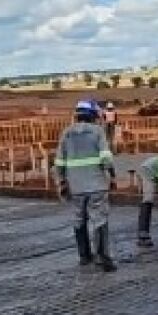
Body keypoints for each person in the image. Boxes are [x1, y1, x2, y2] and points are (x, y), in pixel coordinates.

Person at [55, 100, 117, 272]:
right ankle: (103, 258)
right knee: (100, 220)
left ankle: (84, 256)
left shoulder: (66, 133)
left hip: (75, 188)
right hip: (97, 185)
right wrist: (112, 176)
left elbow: (59, 162)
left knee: (79, 220)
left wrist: (61, 182)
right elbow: (106, 158)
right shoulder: (98, 131)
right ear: (93, 116)